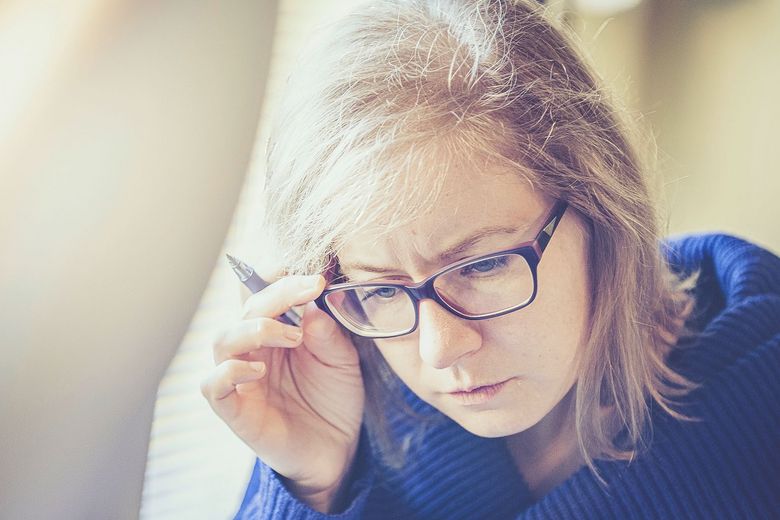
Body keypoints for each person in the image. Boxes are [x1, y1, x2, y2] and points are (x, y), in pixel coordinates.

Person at [200, 0, 780, 518]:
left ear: (597, 209)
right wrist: (315, 487)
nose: (439, 348)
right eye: (381, 290)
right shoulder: (341, 395)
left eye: (481, 266)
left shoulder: (759, 400)